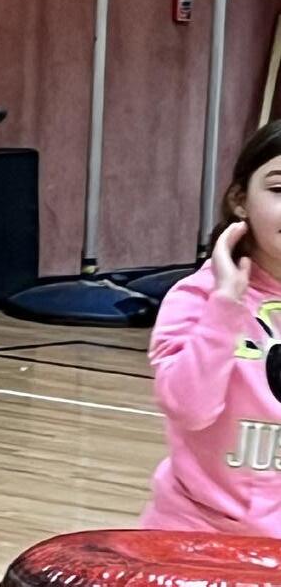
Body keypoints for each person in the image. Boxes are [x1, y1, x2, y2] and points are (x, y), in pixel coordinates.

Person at [142, 120, 281, 536]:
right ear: (240, 200)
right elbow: (190, 409)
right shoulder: (197, 296)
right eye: (279, 189)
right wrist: (225, 306)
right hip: (195, 533)